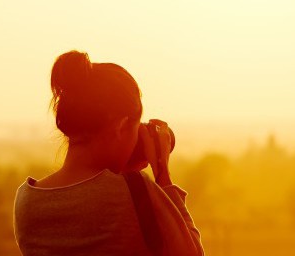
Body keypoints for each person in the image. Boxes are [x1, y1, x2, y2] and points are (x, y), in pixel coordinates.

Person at [13, 50, 204, 256]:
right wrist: (162, 174)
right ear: (120, 127)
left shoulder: (27, 201)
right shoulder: (136, 190)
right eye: (134, 128)